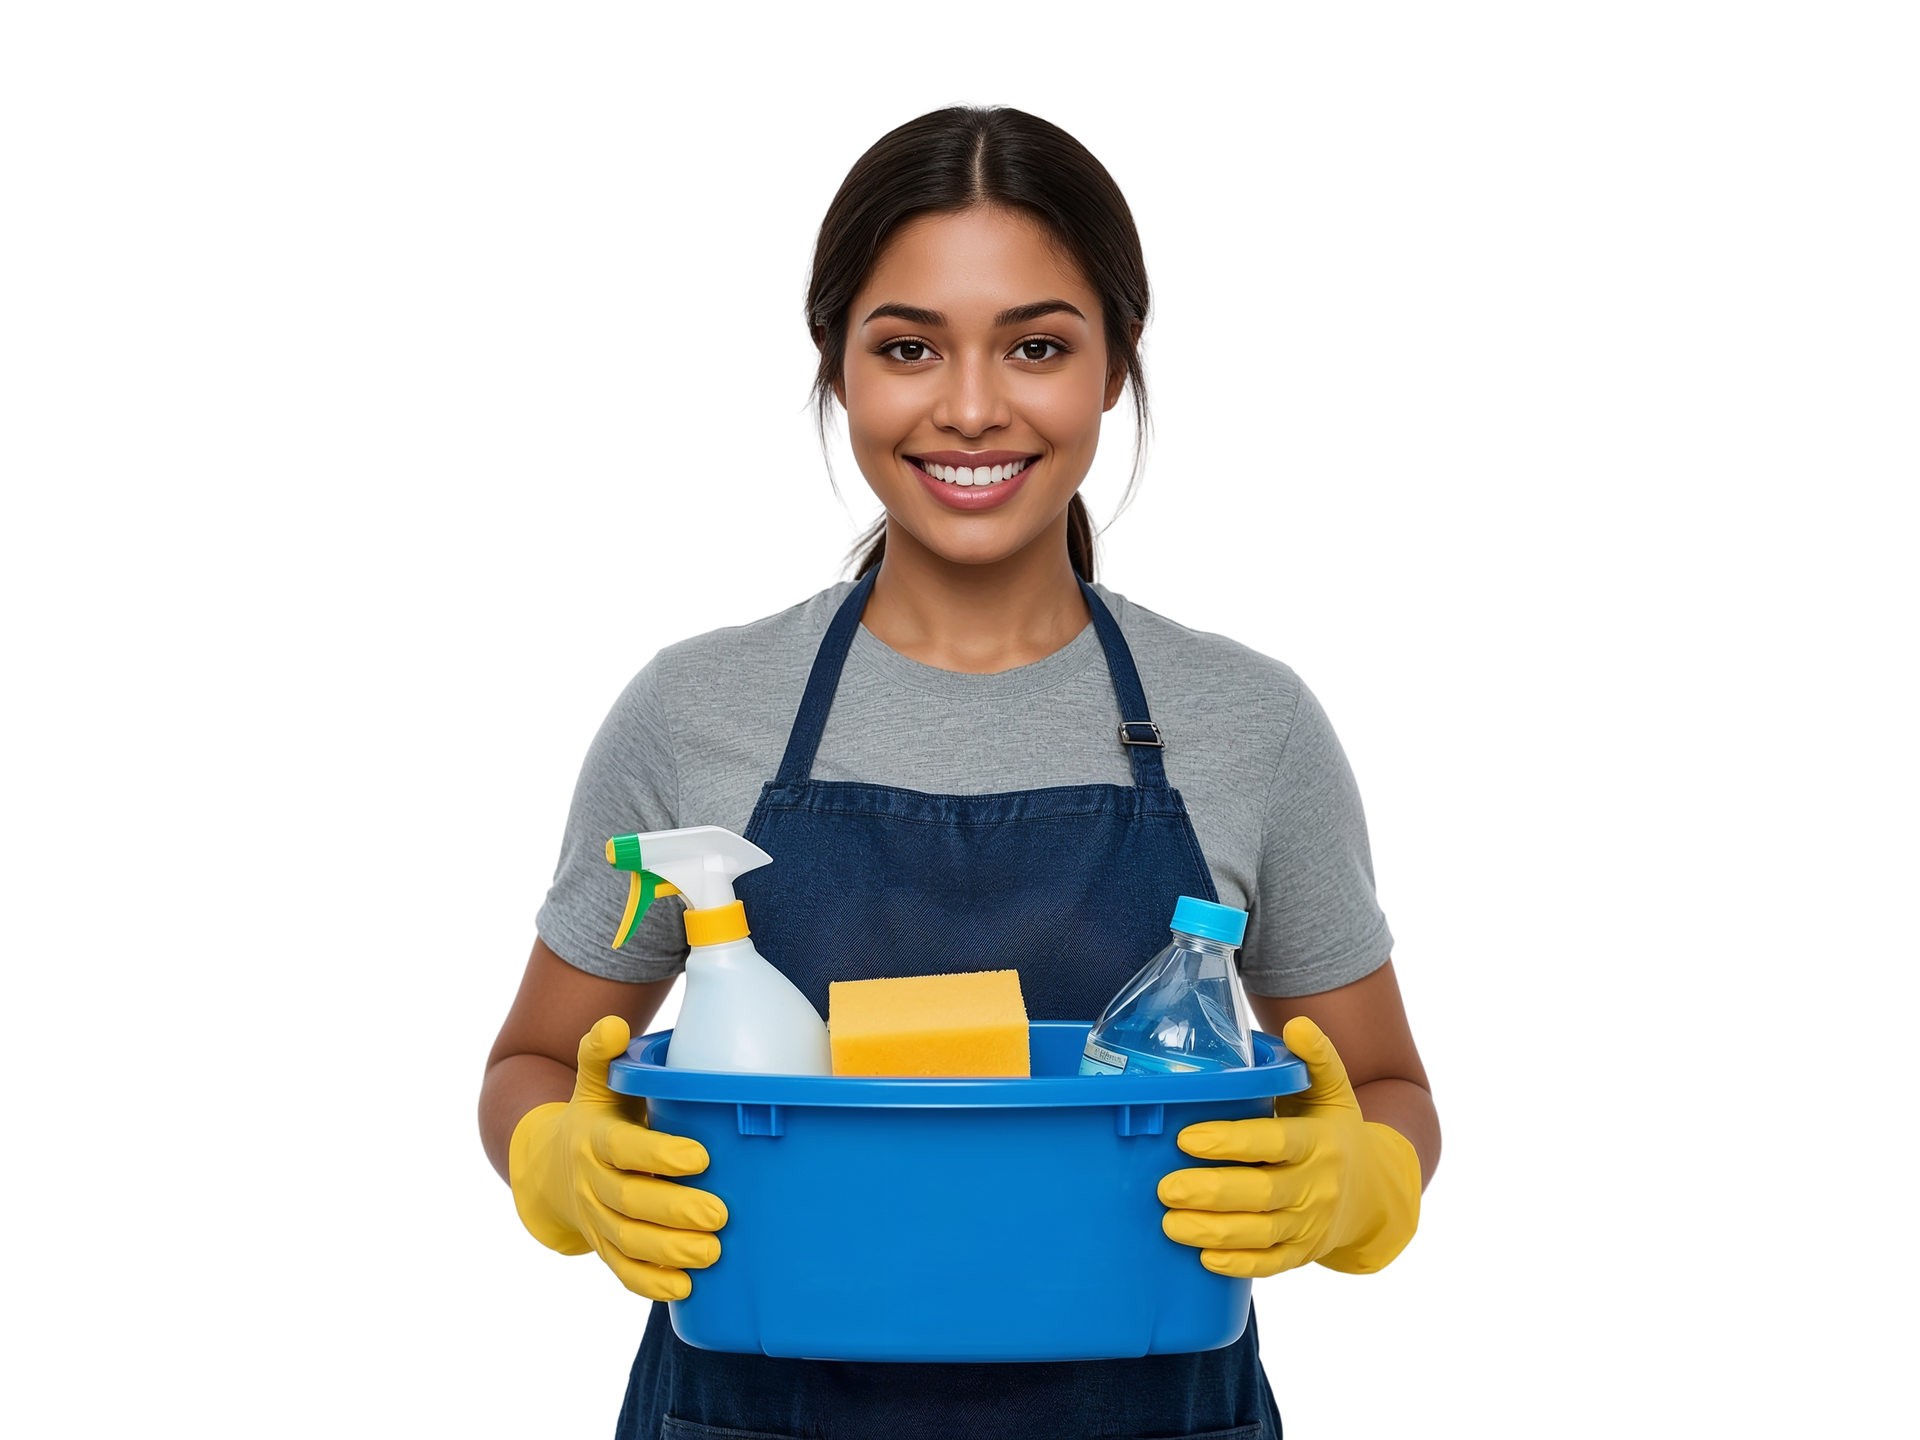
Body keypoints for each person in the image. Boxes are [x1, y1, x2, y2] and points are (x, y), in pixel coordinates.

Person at [475, 97, 1443, 1439]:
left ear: (1119, 369)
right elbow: (530, 1056)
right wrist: (555, 1154)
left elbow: (1389, 1085)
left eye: (1037, 345)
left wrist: (1363, 1179)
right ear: (835, 371)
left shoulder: (1254, 719)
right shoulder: (690, 709)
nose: (973, 408)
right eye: (909, 348)